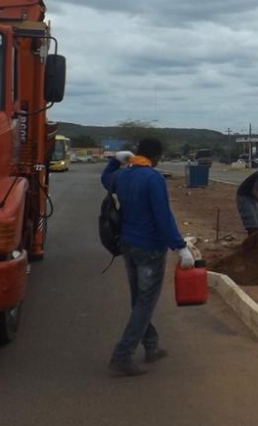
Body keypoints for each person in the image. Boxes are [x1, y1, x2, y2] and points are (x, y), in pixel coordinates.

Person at [101, 138, 195, 377]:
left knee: (139, 299)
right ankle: (123, 354)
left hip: (129, 246)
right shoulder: (153, 179)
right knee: (145, 301)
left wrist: (114, 162)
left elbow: (105, 180)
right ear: (156, 157)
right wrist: (180, 247)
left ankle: (151, 346)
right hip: (150, 250)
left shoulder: (123, 175)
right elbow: (162, 216)